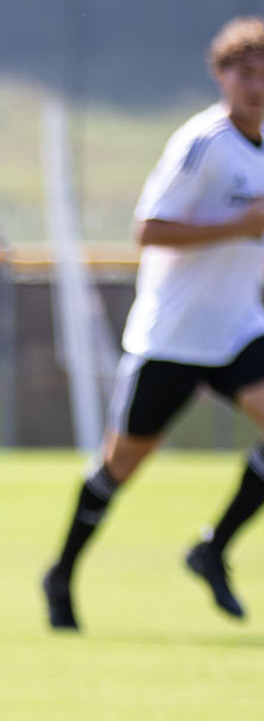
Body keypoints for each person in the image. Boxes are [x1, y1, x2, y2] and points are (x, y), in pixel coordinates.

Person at [43, 17, 264, 631]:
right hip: (173, 336)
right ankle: (61, 573)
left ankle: (213, 548)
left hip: (240, 328)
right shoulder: (202, 144)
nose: (256, 85)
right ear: (221, 76)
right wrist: (238, 227)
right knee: (122, 465)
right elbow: (149, 230)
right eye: (244, 73)